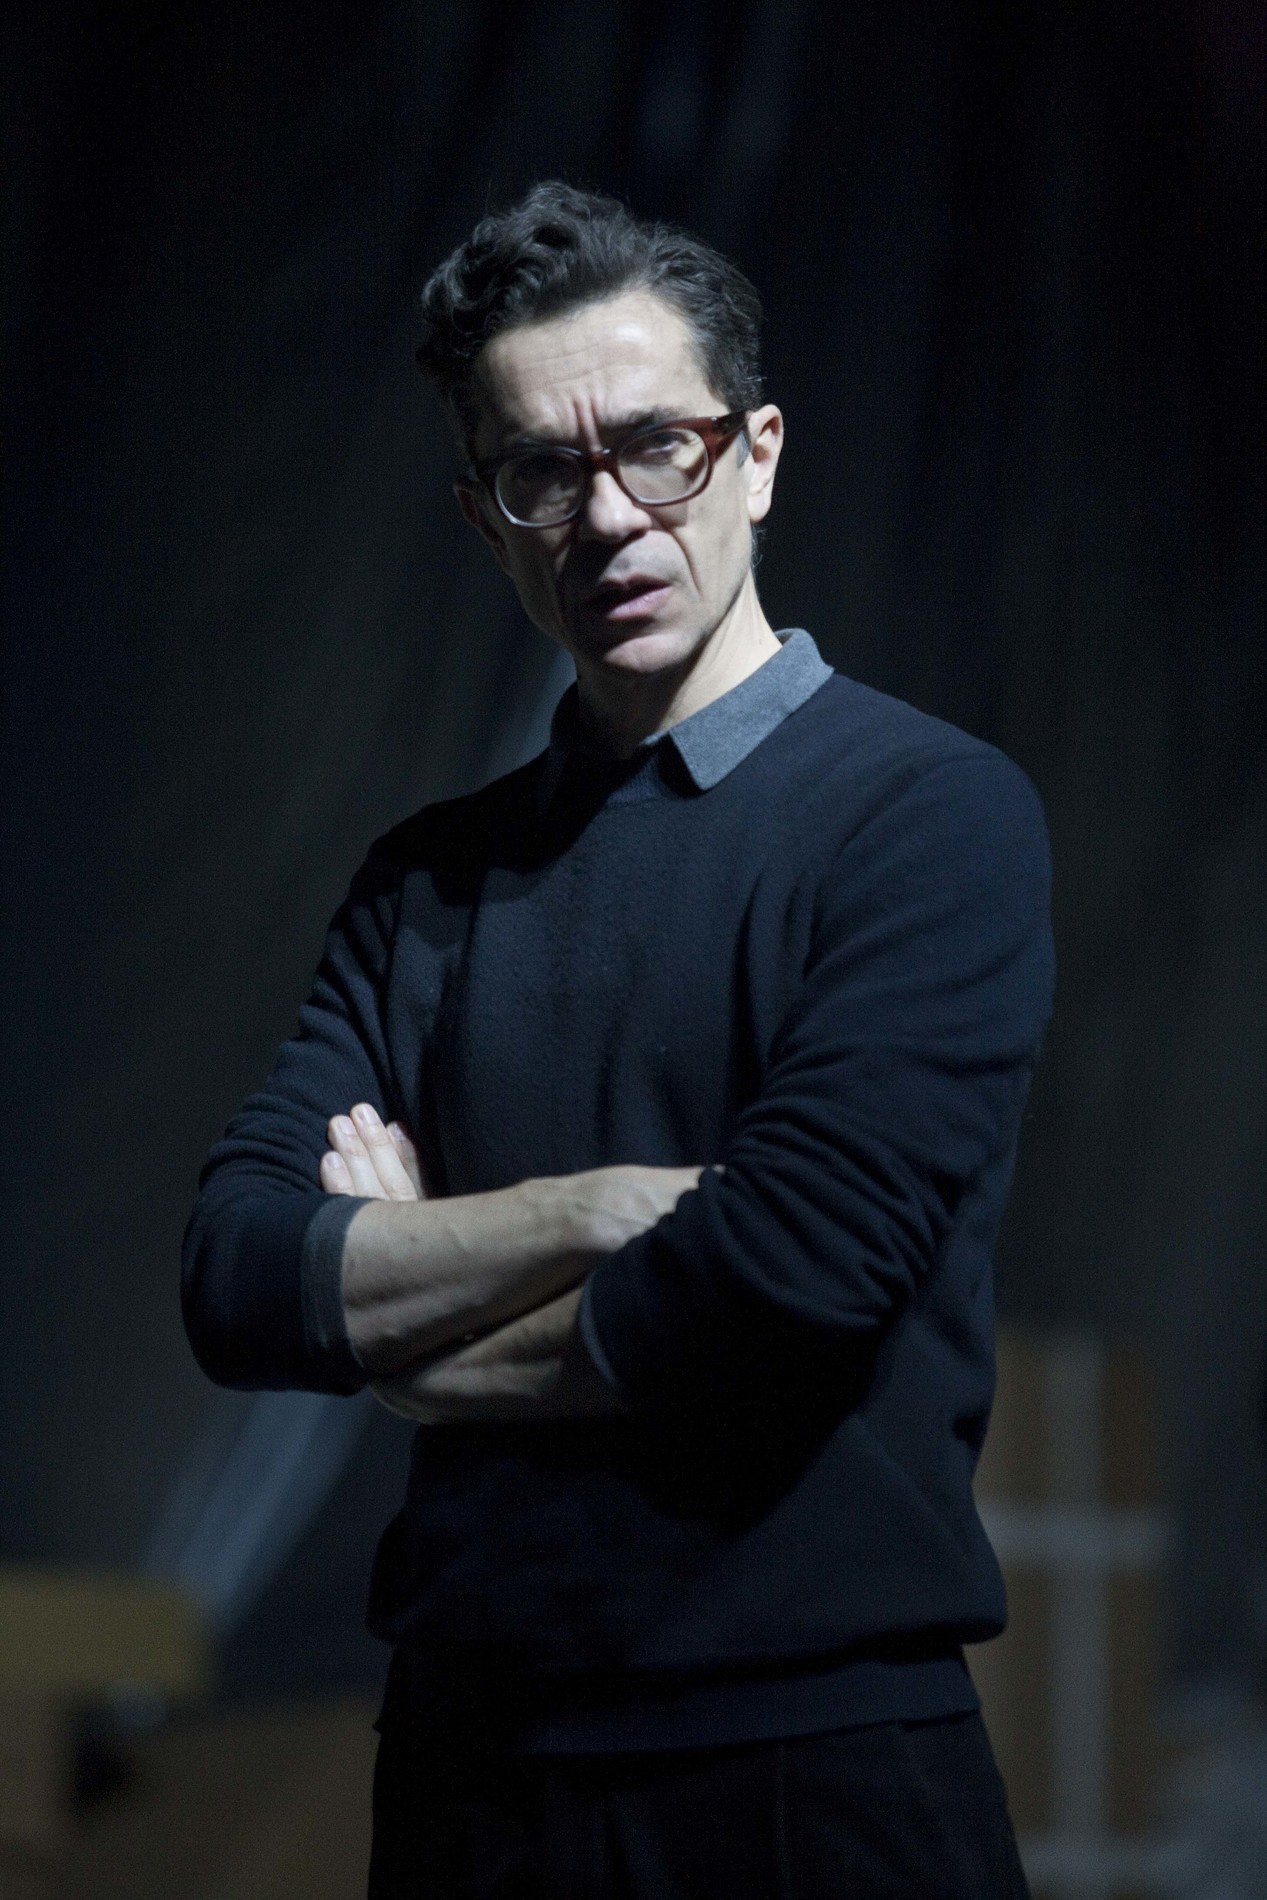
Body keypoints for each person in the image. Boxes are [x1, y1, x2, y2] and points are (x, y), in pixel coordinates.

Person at [183, 182, 1053, 1897]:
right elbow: (238, 1274)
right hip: (471, 1777)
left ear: (757, 456)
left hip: (810, 1770)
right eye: (541, 472)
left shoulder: (925, 817)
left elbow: (789, 1270)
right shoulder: (429, 883)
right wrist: (589, 1212)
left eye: (658, 447)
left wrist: (416, 1345)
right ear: (483, 518)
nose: (605, 517)